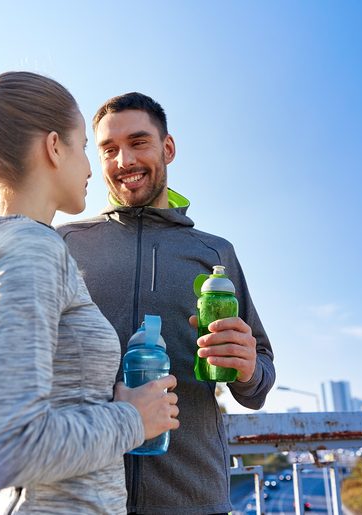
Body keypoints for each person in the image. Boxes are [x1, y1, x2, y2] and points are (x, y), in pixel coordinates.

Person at [0, 73, 179, 514]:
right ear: (53, 147)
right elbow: (4, 450)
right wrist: (134, 419)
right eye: (82, 147)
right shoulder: (29, 249)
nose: (93, 167)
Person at [57, 92, 275, 514]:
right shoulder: (65, 243)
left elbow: (260, 381)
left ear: (167, 148)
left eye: (138, 142)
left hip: (193, 499)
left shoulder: (215, 253)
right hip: (83, 497)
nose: (124, 161)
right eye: (109, 150)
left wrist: (247, 368)